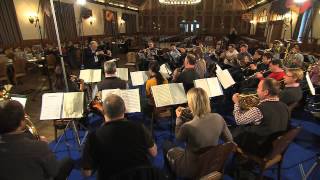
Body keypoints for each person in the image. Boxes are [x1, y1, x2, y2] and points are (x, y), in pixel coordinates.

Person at [81, 94, 157, 179]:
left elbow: (87, 173)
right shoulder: (139, 127)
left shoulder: (93, 137)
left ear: (103, 111)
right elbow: (154, 153)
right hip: (141, 176)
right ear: (124, 110)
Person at [163, 88, 233, 178]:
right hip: (211, 164)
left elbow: (178, 140)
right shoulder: (219, 117)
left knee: (166, 145)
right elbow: (229, 140)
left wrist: (179, 119)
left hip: (192, 169)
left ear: (191, 104)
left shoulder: (187, 126)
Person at [0, 101, 74, 180]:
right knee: (68, 161)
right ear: (21, 123)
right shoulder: (39, 147)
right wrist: (45, 148)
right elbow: (54, 171)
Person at [232, 78, 289, 156]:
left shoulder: (258, 109)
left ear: (266, 92)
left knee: (234, 131)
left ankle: (240, 159)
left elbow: (238, 120)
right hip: (274, 144)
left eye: (258, 88)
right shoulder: (285, 106)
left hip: (260, 146)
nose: (257, 90)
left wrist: (237, 103)